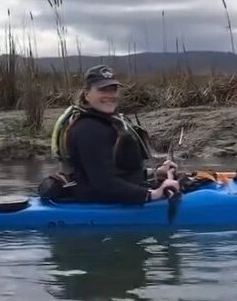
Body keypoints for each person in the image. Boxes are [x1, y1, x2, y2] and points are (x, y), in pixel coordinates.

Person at [41, 64, 180, 205]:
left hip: (122, 193)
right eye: (102, 90)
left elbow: (121, 172)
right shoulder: (89, 130)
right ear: (87, 94)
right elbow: (104, 184)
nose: (110, 95)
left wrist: (156, 174)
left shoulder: (109, 122)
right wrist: (153, 195)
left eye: (113, 89)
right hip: (100, 202)